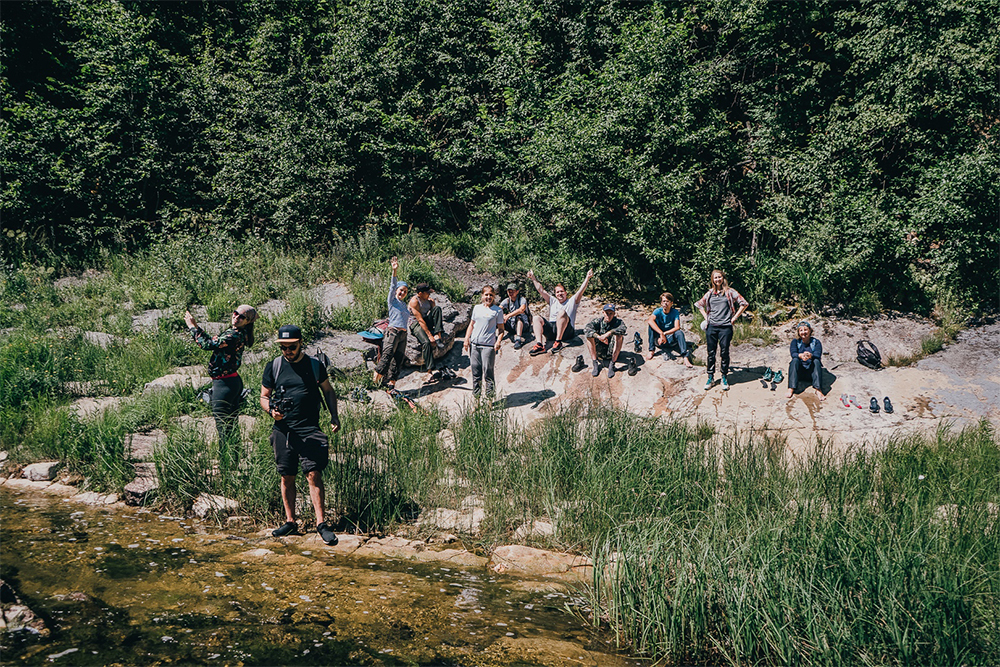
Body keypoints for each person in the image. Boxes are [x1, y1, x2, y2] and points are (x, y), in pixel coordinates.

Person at [261, 324, 341, 545]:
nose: (288, 351)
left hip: (310, 428)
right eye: (284, 347)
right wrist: (271, 411)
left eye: (292, 347)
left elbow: (328, 390)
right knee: (287, 475)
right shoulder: (274, 366)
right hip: (283, 430)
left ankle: (321, 524)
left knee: (313, 473)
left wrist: (334, 415)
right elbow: (264, 396)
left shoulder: (315, 366)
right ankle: (290, 522)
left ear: (300, 344)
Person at [184, 304, 256, 469]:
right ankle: (233, 462)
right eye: (235, 313)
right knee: (230, 425)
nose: (236, 317)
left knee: (223, 426)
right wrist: (196, 327)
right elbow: (213, 341)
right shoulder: (238, 333)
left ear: (247, 322)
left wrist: (192, 327)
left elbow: (207, 344)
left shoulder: (233, 335)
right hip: (231, 382)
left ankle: (226, 467)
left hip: (224, 385)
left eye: (241, 317)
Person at [695, 269, 748, 391]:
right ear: (712, 280)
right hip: (712, 327)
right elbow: (699, 304)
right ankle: (710, 377)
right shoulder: (710, 293)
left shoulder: (730, 292)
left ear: (723, 278)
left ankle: (724, 376)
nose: (718, 279)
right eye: (715, 278)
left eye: (719, 277)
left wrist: (734, 318)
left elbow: (744, 303)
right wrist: (706, 318)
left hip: (725, 327)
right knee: (711, 353)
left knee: (724, 352)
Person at [526, 268, 593, 355]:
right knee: (536, 318)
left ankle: (558, 342)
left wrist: (587, 278)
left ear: (565, 293)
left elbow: (581, 290)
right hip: (552, 330)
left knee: (562, 312)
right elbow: (541, 290)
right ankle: (539, 345)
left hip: (567, 331)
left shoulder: (572, 301)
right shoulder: (552, 301)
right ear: (555, 294)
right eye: (557, 292)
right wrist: (533, 278)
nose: (560, 293)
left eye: (561, 291)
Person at [373, 256, 409, 391]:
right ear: (396, 291)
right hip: (393, 333)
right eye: (401, 290)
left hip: (403, 335)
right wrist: (394, 271)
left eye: (405, 291)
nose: (403, 293)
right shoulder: (392, 301)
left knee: (397, 361)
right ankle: (374, 384)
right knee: (386, 357)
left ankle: (391, 386)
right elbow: (392, 285)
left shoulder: (404, 305)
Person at [463, 284, 505, 397]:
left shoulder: (497, 311)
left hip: (488, 346)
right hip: (474, 345)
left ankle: (489, 401)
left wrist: (498, 341)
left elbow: (501, 329)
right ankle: (476, 400)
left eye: (491, 295)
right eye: (486, 295)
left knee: (488, 373)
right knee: (476, 373)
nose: (488, 297)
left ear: (494, 296)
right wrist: (466, 339)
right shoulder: (477, 308)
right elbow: (471, 325)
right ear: (482, 296)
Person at [408, 282, 446, 384]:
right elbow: (420, 320)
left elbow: (434, 313)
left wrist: (432, 304)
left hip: (425, 320)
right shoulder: (414, 302)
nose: (429, 294)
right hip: (415, 323)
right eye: (427, 293)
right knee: (426, 343)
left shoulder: (428, 300)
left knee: (437, 309)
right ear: (420, 293)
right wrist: (429, 335)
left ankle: (438, 335)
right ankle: (429, 371)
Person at [646, 292, 693, 367]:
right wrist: (661, 333)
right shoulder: (657, 311)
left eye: (667, 301)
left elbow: (677, 327)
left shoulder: (675, 312)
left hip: (670, 339)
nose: (665, 303)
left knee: (679, 332)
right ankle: (651, 350)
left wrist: (664, 333)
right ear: (661, 303)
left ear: (671, 303)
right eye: (664, 301)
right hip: (659, 340)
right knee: (651, 326)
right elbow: (650, 320)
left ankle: (685, 357)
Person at [583, 304, 627, 377]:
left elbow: (623, 329)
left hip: (611, 351)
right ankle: (595, 363)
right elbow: (587, 329)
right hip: (599, 351)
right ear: (603, 312)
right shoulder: (598, 321)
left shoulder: (618, 322)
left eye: (611, 313)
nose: (608, 315)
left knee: (619, 336)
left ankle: (612, 364)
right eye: (607, 313)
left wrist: (608, 334)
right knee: (589, 336)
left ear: (614, 314)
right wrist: (599, 337)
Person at [787, 321, 825, 400]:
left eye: (805, 330)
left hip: (811, 373)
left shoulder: (816, 342)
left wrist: (810, 356)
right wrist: (800, 355)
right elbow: (793, 353)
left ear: (810, 331)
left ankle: (818, 389)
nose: (803, 332)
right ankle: (791, 387)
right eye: (801, 330)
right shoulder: (795, 342)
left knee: (816, 361)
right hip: (799, 373)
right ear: (798, 332)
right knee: (794, 360)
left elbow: (818, 354)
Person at [499, 282, 529, 350]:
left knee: (518, 317)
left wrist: (508, 315)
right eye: (509, 292)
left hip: (524, 325)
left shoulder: (522, 299)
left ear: (517, 291)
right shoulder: (507, 301)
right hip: (512, 324)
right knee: (497, 318)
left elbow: (521, 309)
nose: (510, 293)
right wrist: (502, 315)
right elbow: (498, 309)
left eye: (512, 291)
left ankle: (518, 339)